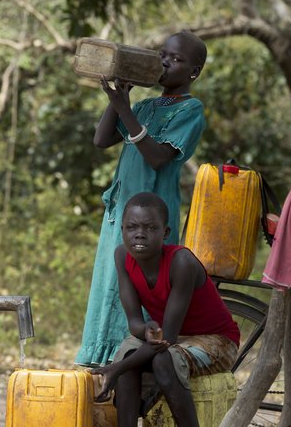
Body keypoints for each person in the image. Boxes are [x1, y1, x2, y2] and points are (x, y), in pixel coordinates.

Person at [76, 31, 209, 367]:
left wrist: (125, 109)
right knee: (112, 278)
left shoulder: (191, 109)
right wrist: (119, 97)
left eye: (176, 59)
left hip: (152, 217)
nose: (165, 62)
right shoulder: (146, 105)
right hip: (121, 212)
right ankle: (101, 358)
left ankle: (136, 358)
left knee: (145, 282)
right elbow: (101, 139)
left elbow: (158, 157)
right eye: (162, 54)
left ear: (193, 72)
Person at [91, 192, 239, 427]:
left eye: (150, 228)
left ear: (166, 233)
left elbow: (167, 339)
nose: (139, 234)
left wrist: (116, 368)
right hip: (171, 336)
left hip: (217, 341)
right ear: (122, 230)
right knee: (131, 355)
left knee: (161, 360)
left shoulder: (181, 262)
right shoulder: (122, 256)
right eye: (132, 227)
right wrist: (147, 329)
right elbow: (135, 323)